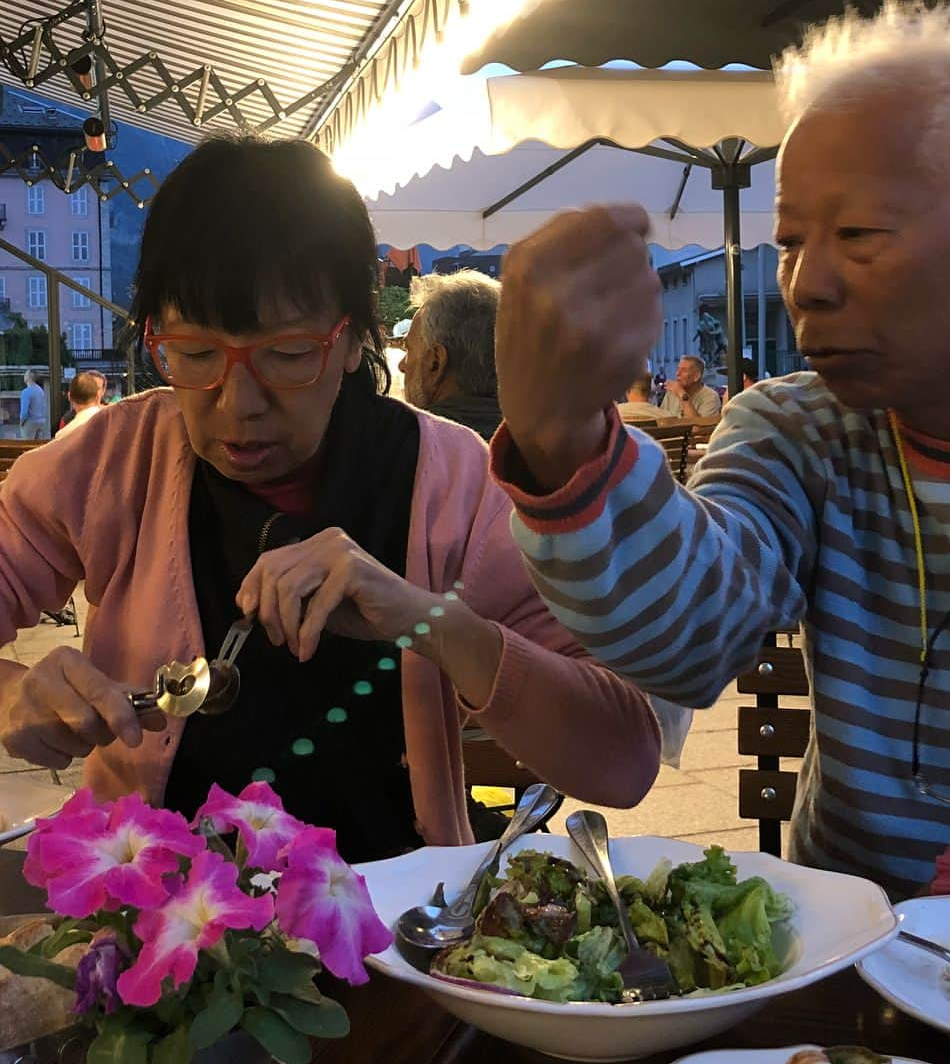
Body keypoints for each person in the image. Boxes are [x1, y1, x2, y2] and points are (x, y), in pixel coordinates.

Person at [490, 0, 950, 900]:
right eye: (793, 240)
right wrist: (561, 441)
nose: (807, 283)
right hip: (854, 976)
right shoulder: (800, 432)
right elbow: (691, 636)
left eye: (859, 234)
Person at [0, 135, 660, 863]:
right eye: (193, 353)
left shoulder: (455, 484)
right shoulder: (112, 463)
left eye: (287, 354)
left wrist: (427, 620)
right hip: (151, 925)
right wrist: (15, 694)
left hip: (392, 927)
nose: (237, 402)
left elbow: (624, 757)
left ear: (354, 339)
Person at [400, 271, 503, 441]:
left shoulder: (403, 447)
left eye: (408, 350)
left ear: (436, 363)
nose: (402, 366)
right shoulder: (540, 445)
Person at [660, 355, 722, 420]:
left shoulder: (711, 397)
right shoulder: (671, 392)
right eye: (678, 369)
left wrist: (682, 394)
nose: (677, 373)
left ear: (696, 376)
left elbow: (700, 427)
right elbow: (662, 420)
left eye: (683, 370)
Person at [19, 371, 47, 440]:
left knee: (27, 447)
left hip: (30, 423)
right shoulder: (41, 391)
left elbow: (24, 412)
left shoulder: (26, 392)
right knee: (38, 447)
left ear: (28, 377)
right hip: (41, 422)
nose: (24, 376)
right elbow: (44, 407)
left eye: (25, 374)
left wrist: (21, 423)